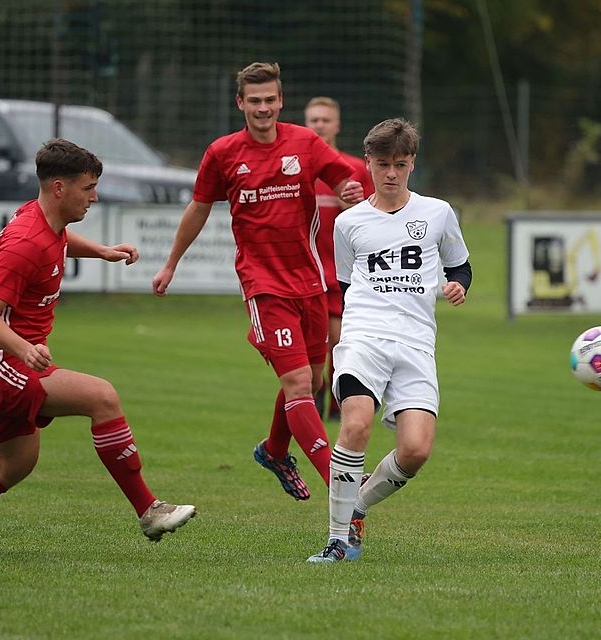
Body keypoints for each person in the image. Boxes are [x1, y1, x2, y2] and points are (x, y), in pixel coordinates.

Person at [0, 139, 196, 556]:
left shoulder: (42, 222)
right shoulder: (24, 243)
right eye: (88, 187)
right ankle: (149, 510)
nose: (94, 196)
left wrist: (102, 252)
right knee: (102, 396)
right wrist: (23, 349)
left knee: (15, 464)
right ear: (59, 187)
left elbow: (60, 240)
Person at [152, 62, 365, 501]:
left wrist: (348, 190)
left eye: (270, 100)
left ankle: (274, 450)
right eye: (255, 101)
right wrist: (171, 262)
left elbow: (345, 179)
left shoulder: (305, 142)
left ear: (281, 101)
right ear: (240, 104)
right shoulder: (223, 153)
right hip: (263, 284)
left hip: (310, 281)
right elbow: (198, 208)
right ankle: (342, 486)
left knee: (313, 378)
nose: (263, 108)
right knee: (299, 386)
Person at [306, 118, 472, 563]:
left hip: (417, 344)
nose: (391, 174)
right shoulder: (349, 222)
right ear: (368, 163)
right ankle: (337, 539)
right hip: (365, 336)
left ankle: (357, 503)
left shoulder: (438, 212)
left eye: (400, 164)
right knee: (355, 423)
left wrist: (458, 286)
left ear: (412, 163)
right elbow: (344, 284)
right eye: (382, 164)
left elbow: (459, 267)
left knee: (415, 451)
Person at [304, 96, 374, 421]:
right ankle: (313, 400)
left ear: (337, 125)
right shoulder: (297, 166)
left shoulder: (353, 169)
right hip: (306, 268)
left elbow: (371, 215)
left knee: (338, 340)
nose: (319, 125)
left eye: (325, 120)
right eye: (313, 119)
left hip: (343, 271)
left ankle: (335, 404)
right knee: (313, 340)